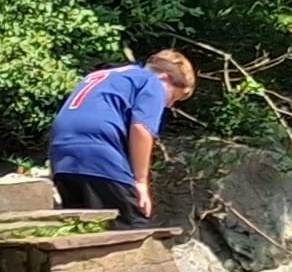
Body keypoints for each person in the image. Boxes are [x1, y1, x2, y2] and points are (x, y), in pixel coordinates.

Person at [47, 47, 195, 219]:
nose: (168, 105)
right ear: (165, 77)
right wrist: (141, 182)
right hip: (99, 156)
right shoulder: (151, 81)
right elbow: (141, 129)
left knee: (87, 226)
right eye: (173, 97)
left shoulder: (103, 75)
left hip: (62, 158)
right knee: (133, 225)